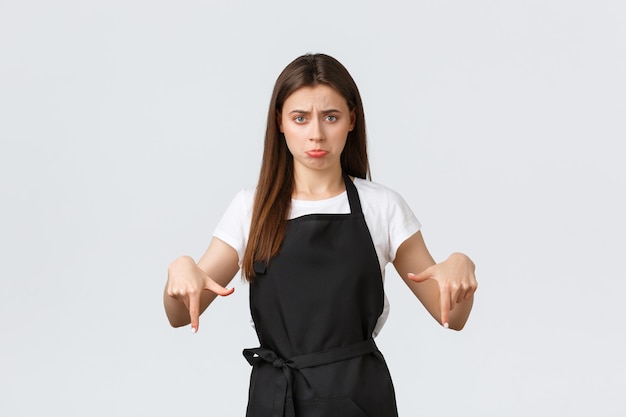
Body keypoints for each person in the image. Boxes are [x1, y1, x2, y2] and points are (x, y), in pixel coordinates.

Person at [163, 53, 477, 417]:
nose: (316, 133)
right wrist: (181, 271)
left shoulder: (382, 207)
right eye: (300, 118)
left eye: (331, 117)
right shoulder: (251, 208)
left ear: (351, 121)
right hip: (276, 401)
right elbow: (181, 315)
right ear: (280, 122)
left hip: (358, 399)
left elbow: (452, 318)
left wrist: (460, 266)